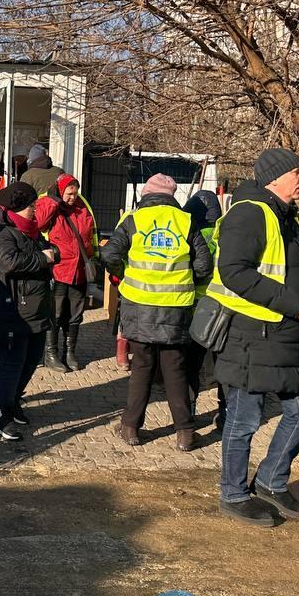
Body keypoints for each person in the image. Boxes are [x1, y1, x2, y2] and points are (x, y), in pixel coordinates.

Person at [209, 148, 299, 527]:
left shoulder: (283, 215)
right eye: (298, 171)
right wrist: (294, 302)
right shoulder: (250, 213)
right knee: (243, 421)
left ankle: (271, 482)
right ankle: (234, 494)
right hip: (252, 337)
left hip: (285, 338)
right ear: (275, 177)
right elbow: (234, 272)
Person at [101, 173, 213, 451]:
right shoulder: (185, 221)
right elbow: (203, 265)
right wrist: (184, 281)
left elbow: (109, 255)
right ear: (172, 196)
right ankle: (185, 433)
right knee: (175, 369)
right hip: (176, 308)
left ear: (147, 195)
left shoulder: (133, 220)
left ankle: (130, 428)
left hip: (139, 306)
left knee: (142, 368)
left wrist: (125, 276)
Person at [0, 181, 57, 441]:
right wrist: (43, 258)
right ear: (18, 207)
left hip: (34, 309)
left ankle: (14, 401)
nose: (36, 210)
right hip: (11, 310)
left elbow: (47, 248)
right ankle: (3, 416)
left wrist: (51, 251)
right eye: (32, 206)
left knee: (32, 359)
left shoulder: (30, 229)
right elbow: (7, 261)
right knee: (12, 363)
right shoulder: (0, 230)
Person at [34, 173, 98, 373]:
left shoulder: (82, 208)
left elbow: (89, 235)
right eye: (69, 193)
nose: (72, 197)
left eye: (75, 193)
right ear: (60, 191)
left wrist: (92, 256)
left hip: (79, 270)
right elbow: (39, 223)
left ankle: (69, 352)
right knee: (56, 313)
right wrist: (54, 200)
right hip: (59, 270)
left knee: (76, 314)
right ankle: (51, 353)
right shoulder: (49, 204)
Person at [184, 188, 226, 427]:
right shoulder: (225, 235)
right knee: (221, 365)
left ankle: (189, 411)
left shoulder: (191, 235)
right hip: (222, 308)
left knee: (191, 364)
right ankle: (225, 413)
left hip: (195, 309)